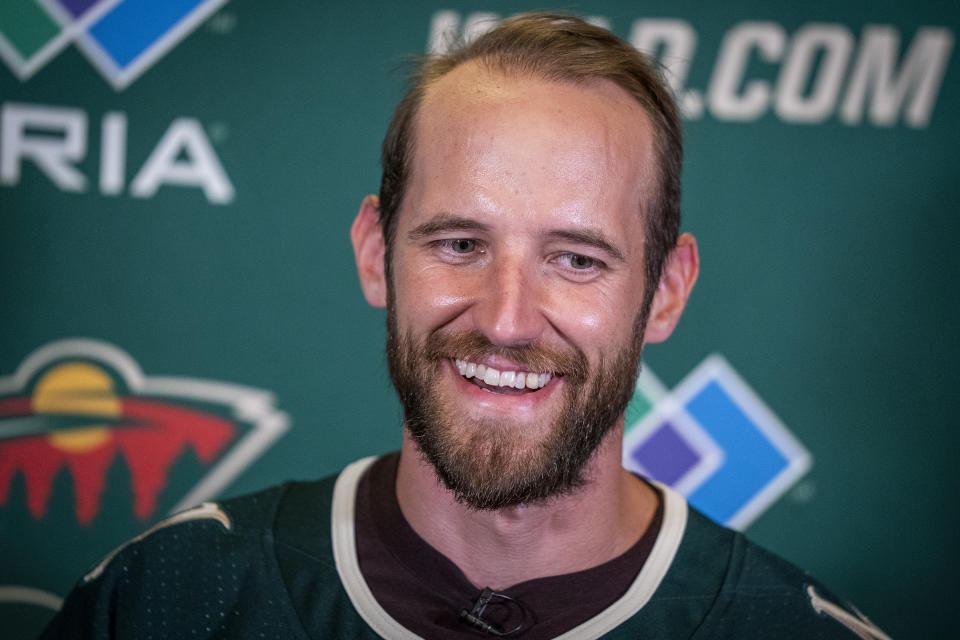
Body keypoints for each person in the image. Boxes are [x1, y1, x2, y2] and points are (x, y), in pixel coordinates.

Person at [41, 13, 889, 639]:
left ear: (666, 292)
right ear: (377, 254)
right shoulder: (166, 596)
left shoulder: (794, 629)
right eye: (458, 243)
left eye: (578, 260)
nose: (508, 320)